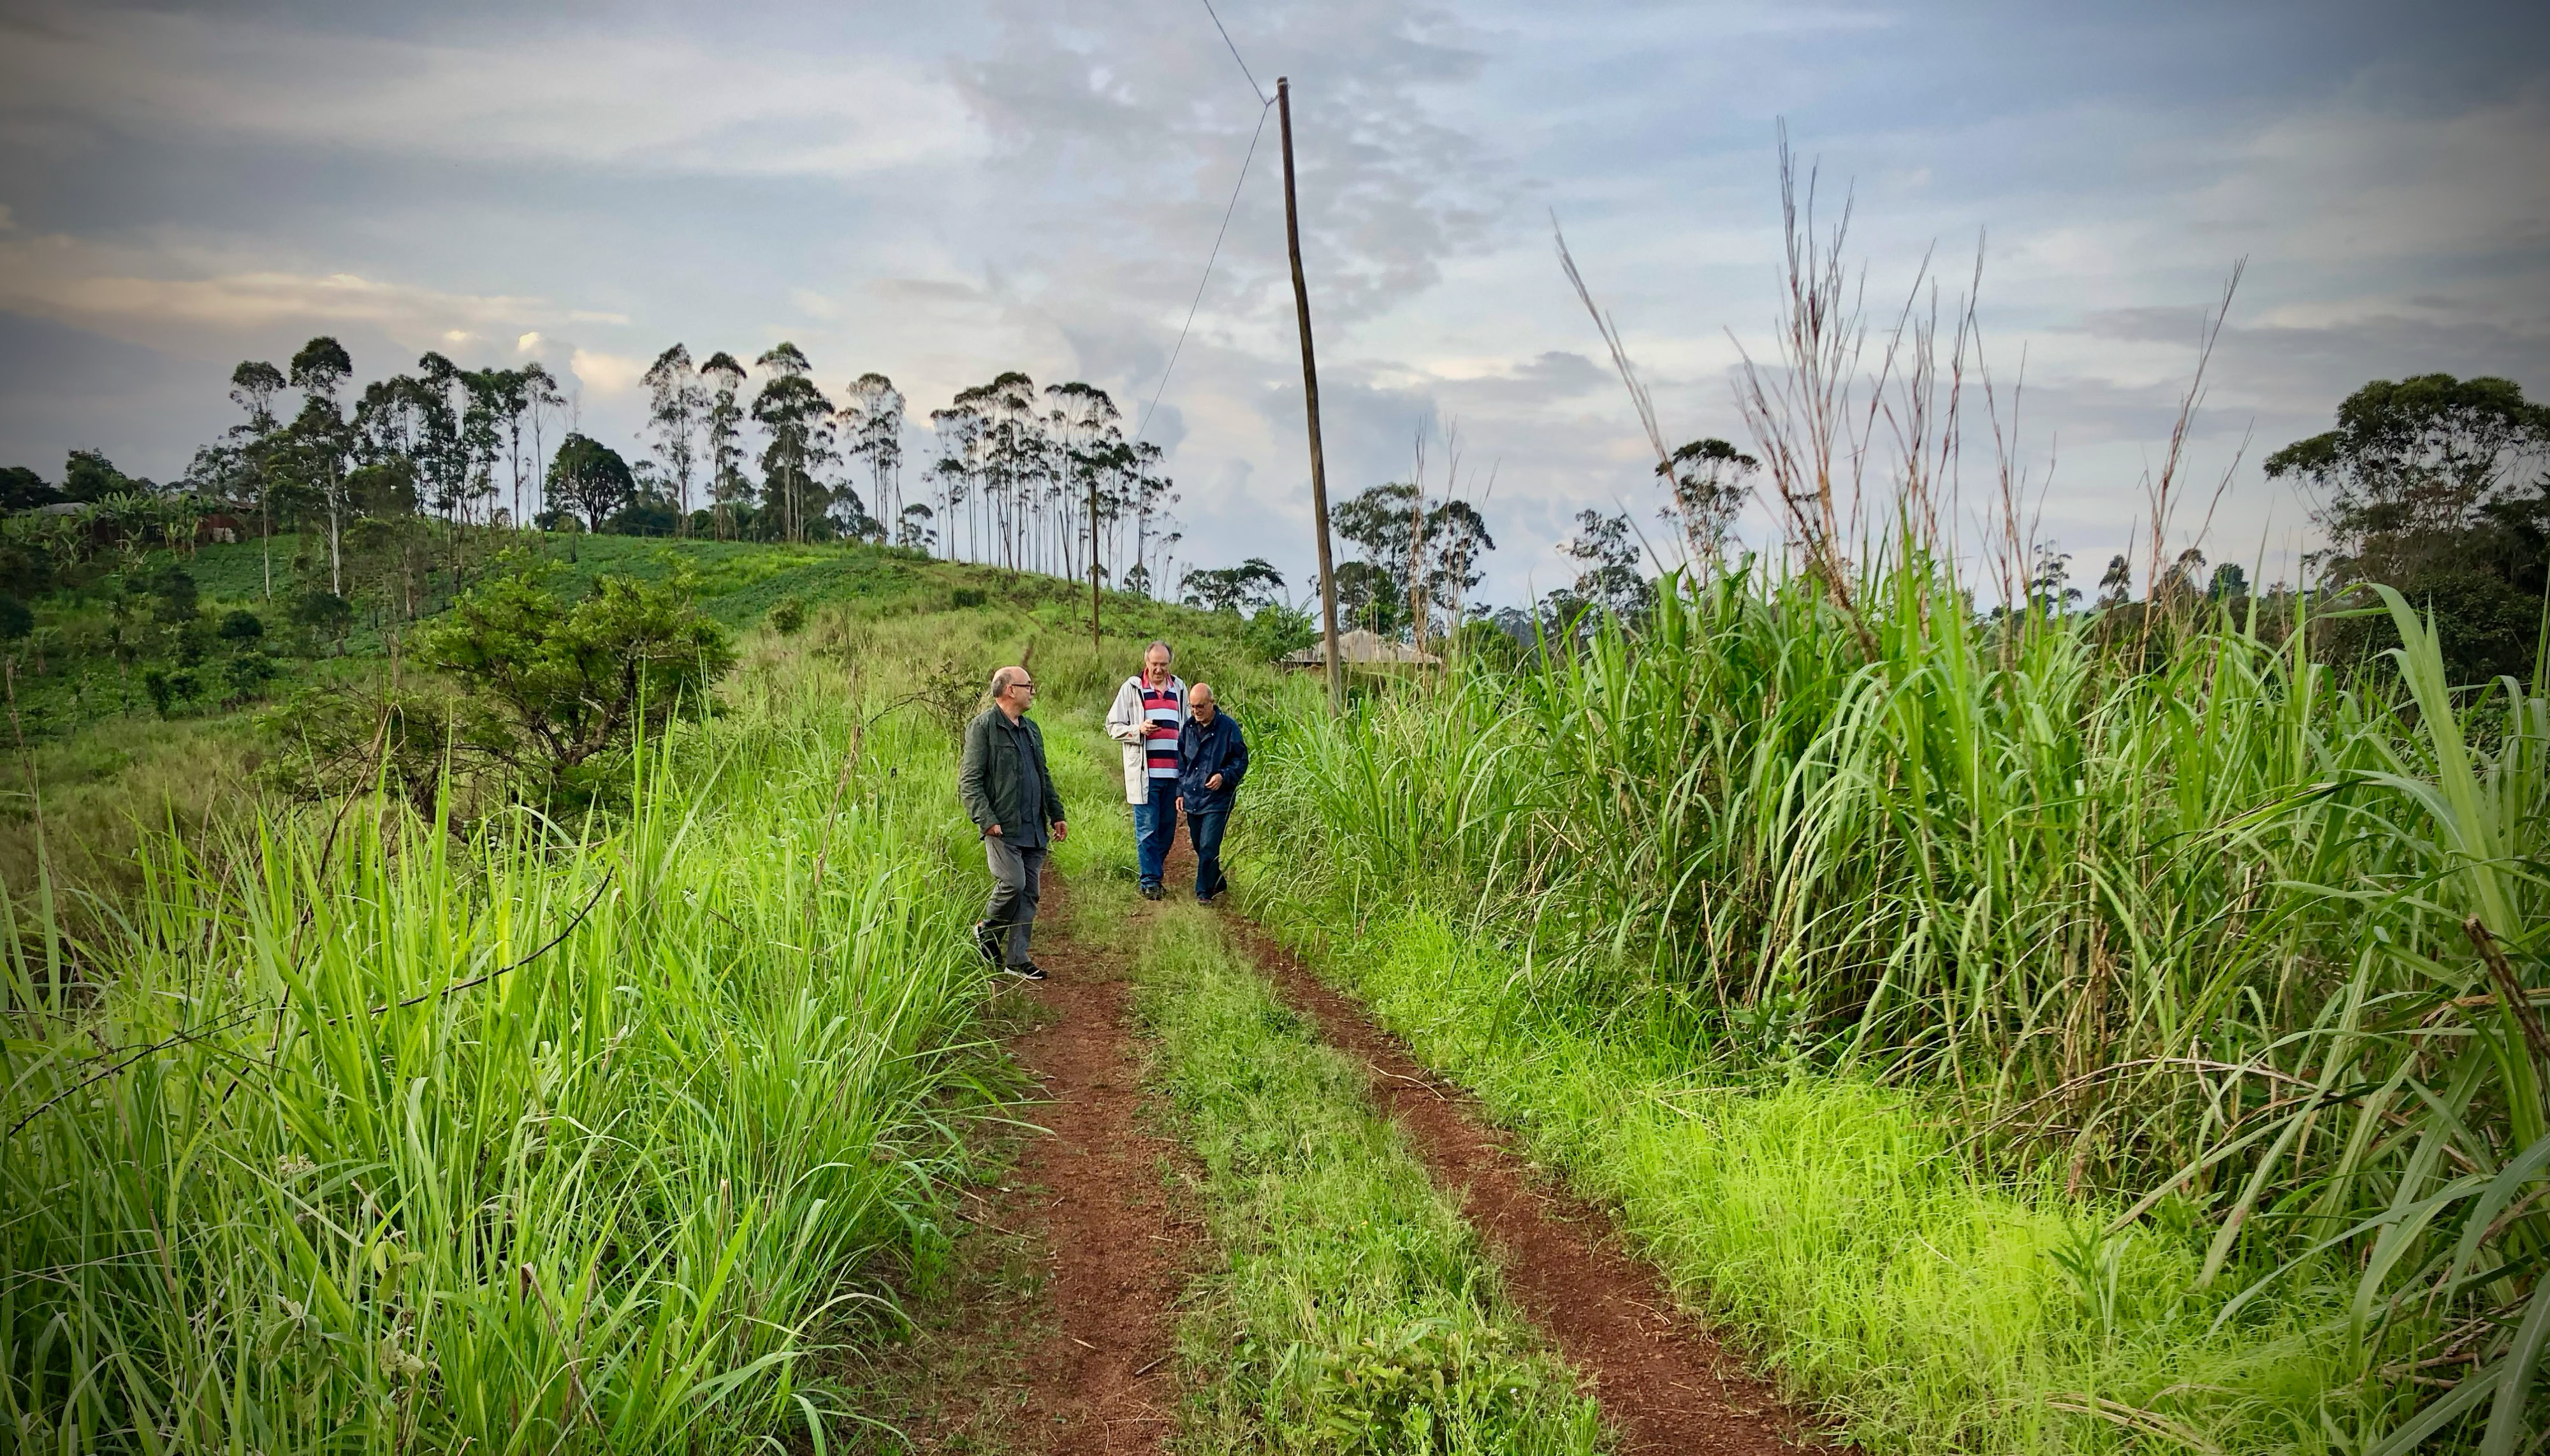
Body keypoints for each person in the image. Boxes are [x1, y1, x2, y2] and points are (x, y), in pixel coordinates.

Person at [959, 665, 1067, 980]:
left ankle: (1017, 960)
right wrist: (986, 820)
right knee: (1013, 883)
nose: (1032, 691)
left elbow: (1042, 775)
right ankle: (987, 930)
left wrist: (1057, 814)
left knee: (1029, 892)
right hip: (1002, 827)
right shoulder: (983, 728)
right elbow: (970, 781)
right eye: (1028, 686)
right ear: (1010, 690)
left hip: (1033, 826)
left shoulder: (1031, 729)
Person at [1104, 639, 1185, 900]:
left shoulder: (1179, 688)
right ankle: (1150, 880)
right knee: (1148, 829)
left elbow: (1186, 726)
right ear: (1146, 662)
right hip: (1145, 773)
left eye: (1164, 664)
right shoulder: (1132, 688)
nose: (1159, 669)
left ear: (1170, 664)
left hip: (1174, 774)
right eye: (1154, 664)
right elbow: (1112, 726)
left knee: (1167, 831)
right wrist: (1138, 730)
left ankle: (1153, 874)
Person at [1176, 681, 1248, 903]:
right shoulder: (1188, 729)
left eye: (1200, 706)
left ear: (1212, 703)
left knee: (1209, 845)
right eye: (1192, 707)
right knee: (1199, 844)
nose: (1196, 711)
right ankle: (1217, 881)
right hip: (1193, 796)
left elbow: (1241, 760)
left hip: (1219, 798)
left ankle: (1204, 892)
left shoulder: (1228, 728)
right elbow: (1182, 764)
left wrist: (1223, 776)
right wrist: (1180, 791)